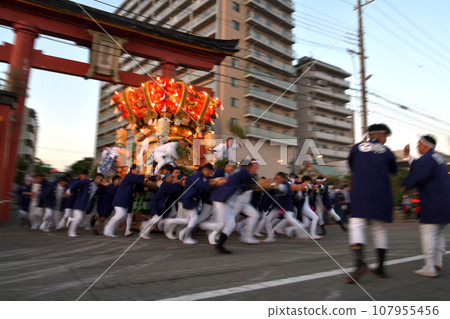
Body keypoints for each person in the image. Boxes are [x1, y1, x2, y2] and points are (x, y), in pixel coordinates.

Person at [346, 123, 397, 284]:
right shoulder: (387, 151)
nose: (385, 140)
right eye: (385, 137)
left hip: (361, 191)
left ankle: (359, 262)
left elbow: (352, 167)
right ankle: (380, 267)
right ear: (381, 135)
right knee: (379, 228)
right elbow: (393, 171)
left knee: (356, 224)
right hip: (382, 192)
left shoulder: (356, 148)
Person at [403, 135, 450, 277]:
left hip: (433, 202)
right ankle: (438, 262)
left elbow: (418, 173)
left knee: (428, 232)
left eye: (419, 144)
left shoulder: (427, 159)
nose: (417, 146)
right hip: (445, 202)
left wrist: (406, 186)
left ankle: (429, 267)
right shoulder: (438, 158)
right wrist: (408, 156)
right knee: (439, 232)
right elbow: (420, 166)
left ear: (425, 145)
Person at [207, 159, 260, 254]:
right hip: (224, 199)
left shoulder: (239, 172)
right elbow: (253, 182)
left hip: (225, 199)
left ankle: (220, 245)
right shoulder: (244, 172)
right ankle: (207, 228)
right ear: (249, 167)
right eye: (254, 166)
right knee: (224, 223)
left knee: (231, 223)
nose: (256, 167)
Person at [164, 164, 216, 244]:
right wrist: (213, 184)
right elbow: (201, 185)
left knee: (188, 220)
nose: (209, 174)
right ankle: (186, 237)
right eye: (209, 172)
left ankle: (170, 221)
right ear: (206, 170)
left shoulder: (198, 176)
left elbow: (191, 180)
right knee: (194, 218)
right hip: (189, 198)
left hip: (189, 198)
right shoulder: (197, 176)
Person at [104, 164, 150, 237]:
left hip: (126, 200)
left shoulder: (134, 179)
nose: (138, 172)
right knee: (120, 215)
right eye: (137, 170)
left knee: (126, 215)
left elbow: (140, 186)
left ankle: (116, 230)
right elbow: (138, 179)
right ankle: (107, 229)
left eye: (139, 171)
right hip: (121, 199)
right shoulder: (129, 176)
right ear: (133, 170)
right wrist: (147, 176)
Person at [264, 172, 308, 242]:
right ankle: (270, 237)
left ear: (283, 179)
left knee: (291, 220)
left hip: (287, 207)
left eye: (279, 178)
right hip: (278, 208)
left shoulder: (286, 185)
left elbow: (280, 188)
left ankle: (303, 234)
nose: (277, 179)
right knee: (268, 218)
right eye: (276, 178)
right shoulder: (276, 185)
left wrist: (270, 183)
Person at [139, 172, 183, 239]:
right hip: (156, 204)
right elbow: (173, 188)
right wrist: (179, 182)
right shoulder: (165, 185)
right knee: (156, 219)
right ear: (166, 178)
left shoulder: (168, 184)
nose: (172, 178)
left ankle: (145, 232)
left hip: (162, 205)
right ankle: (145, 225)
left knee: (167, 216)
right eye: (171, 177)